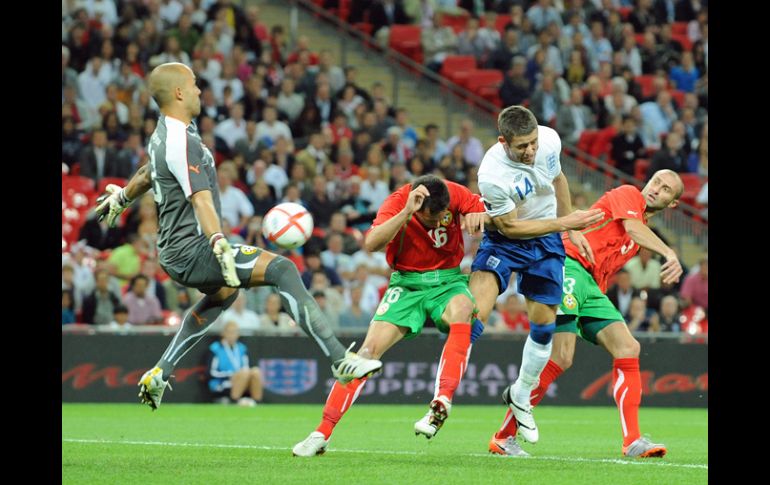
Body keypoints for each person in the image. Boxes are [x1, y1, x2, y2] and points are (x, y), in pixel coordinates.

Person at [93, 63, 382, 411]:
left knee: (223, 294)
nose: (201, 91)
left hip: (176, 252)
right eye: (195, 85)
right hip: (193, 249)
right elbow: (199, 198)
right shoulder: (181, 141)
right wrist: (218, 242)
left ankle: (161, 371)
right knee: (283, 270)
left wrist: (122, 197)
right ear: (180, 93)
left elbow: (146, 173)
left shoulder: (164, 135)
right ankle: (340, 360)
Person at [488, 169, 684, 458]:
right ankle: (504, 435)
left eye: (666, 189)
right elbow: (631, 228)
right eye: (656, 181)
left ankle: (632, 440)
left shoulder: (640, 224)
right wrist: (669, 253)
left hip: (590, 286)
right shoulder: (628, 195)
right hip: (568, 266)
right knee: (561, 356)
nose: (656, 189)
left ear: (672, 204)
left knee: (628, 347)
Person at [292, 174, 487, 457]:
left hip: (448, 280)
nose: (437, 223)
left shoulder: (452, 192)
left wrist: (478, 214)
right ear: (417, 206)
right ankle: (321, 433)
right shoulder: (397, 203)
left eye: (442, 217)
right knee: (366, 354)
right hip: (406, 284)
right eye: (430, 219)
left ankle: (442, 400)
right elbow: (371, 243)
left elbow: (486, 209)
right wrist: (407, 212)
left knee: (463, 311)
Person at [468, 105, 604, 453]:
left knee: (544, 325)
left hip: (545, 241)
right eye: (521, 147)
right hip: (505, 239)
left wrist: (569, 223)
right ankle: (442, 396)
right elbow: (511, 226)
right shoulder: (492, 173)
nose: (530, 151)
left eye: (532, 143)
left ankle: (521, 394)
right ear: (503, 142)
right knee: (474, 317)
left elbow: (558, 178)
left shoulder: (550, 141)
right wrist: (566, 225)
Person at [207, 321, 263, 406]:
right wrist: (230, 375)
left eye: (234, 332)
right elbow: (210, 372)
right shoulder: (215, 349)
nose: (231, 335)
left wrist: (240, 375)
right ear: (223, 333)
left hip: (242, 378)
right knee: (244, 373)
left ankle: (257, 403)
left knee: (256, 371)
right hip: (222, 382)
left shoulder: (242, 348)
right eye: (229, 332)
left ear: (238, 334)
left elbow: (246, 367)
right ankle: (233, 401)